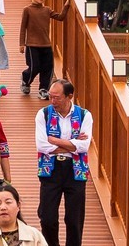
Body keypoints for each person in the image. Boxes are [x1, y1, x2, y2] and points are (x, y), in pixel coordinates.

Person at [36, 79, 93, 246]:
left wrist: (54, 140)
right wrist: (71, 144)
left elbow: (84, 146)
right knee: (47, 217)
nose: (53, 101)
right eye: (50, 96)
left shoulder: (85, 115)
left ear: (69, 96)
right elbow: (42, 145)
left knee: (74, 219)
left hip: (75, 170)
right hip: (51, 169)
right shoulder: (43, 114)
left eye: (57, 97)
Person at [19, 0, 71, 100]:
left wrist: (66, 6)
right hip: (32, 45)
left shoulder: (47, 10)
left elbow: (60, 17)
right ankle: (26, 80)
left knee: (48, 67)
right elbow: (23, 27)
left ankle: (43, 89)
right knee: (34, 67)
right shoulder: (27, 10)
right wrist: (22, 44)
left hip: (46, 44)